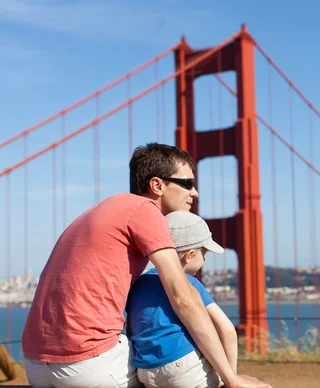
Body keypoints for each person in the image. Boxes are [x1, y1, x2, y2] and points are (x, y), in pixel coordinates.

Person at [21, 143, 270, 388]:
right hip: (89, 365)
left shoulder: (99, 210)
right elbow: (184, 298)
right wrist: (232, 379)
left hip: (35, 365)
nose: (195, 193)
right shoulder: (145, 212)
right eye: (187, 183)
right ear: (157, 185)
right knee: (186, 374)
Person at [127, 211, 238, 388]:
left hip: (145, 371)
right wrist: (231, 378)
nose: (205, 260)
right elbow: (227, 329)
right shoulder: (189, 283)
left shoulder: (139, 283)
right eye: (204, 254)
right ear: (189, 255)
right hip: (183, 366)